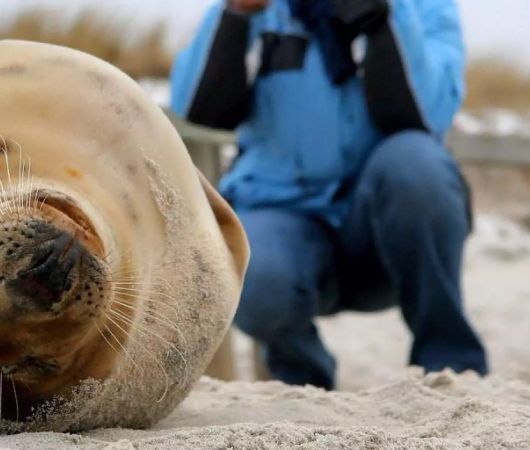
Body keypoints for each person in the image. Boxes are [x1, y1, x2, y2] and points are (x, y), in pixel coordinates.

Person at [170, 0, 488, 389]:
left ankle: (450, 364)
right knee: (253, 272)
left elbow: (426, 114)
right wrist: (236, 15)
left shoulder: (425, 6)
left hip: (387, 234)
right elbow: (199, 107)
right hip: (282, 214)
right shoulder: (262, 10)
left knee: (417, 164)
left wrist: (382, 18)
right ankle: (301, 379)